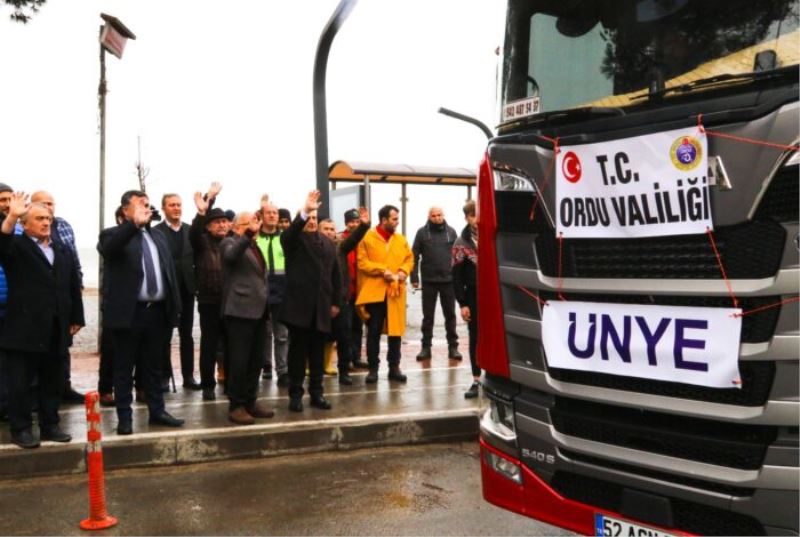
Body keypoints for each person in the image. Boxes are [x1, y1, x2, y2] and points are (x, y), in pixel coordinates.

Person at [0, 193, 84, 448]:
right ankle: (21, 429)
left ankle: (50, 425)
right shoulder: (16, 247)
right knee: (20, 383)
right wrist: (11, 216)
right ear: (25, 224)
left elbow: (72, 286)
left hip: (56, 327)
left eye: (48, 218)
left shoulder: (61, 249)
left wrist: (76, 317)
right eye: (39, 218)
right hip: (23, 328)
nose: (46, 222)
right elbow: (2, 243)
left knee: (52, 381)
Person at [98, 190, 185, 435]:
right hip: (129, 314)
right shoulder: (112, 234)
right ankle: (125, 417)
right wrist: (132, 226)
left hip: (157, 313)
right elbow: (110, 250)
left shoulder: (158, 236)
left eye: (147, 204)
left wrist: (174, 309)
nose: (145, 208)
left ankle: (157, 411)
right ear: (125, 210)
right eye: (139, 205)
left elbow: (168, 274)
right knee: (124, 368)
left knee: (154, 366)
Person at [280, 191, 342, 411]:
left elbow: (335, 274)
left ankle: (317, 394)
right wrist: (304, 211)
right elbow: (289, 234)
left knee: (317, 355)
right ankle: (295, 396)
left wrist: (335, 302)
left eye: (315, 217)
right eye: (309, 217)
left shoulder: (328, 243)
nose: (312, 221)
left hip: (322, 308)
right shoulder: (293, 240)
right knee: (297, 355)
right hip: (299, 308)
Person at [30, 191, 86, 405]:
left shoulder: (63, 226)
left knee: (63, 346)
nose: (49, 207)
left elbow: (73, 258)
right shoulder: (25, 231)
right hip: (38, 302)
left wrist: (77, 284)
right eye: (43, 204)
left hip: (64, 296)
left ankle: (64, 386)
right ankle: (37, 393)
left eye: (51, 203)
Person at [220, 209, 275, 425]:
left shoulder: (254, 246)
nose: (254, 227)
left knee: (256, 360)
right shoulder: (229, 242)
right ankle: (236, 405)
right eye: (247, 224)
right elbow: (231, 257)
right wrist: (249, 234)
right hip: (239, 311)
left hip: (259, 311)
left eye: (254, 224)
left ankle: (251, 401)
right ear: (235, 228)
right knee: (239, 361)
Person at [356, 204, 414, 384]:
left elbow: (409, 258)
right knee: (373, 332)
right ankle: (373, 369)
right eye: (394, 219)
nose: (397, 222)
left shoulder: (401, 239)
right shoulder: (367, 237)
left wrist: (404, 271)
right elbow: (362, 262)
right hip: (375, 294)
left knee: (395, 333)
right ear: (384, 220)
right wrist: (383, 271)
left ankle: (394, 368)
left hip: (395, 293)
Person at [155, 193, 200, 392]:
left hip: (187, 289)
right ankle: (164, 376)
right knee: (164, 336)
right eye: (172, 205)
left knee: (186, 335)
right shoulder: (156, 232)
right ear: (164, 208)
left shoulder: (190, 231)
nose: (176, 208)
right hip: (166, 291)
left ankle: (188, 376)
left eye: (179, 205)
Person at [322, 209, 370, 385]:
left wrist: (364, 225)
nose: (329, 232)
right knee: (320, 337)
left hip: (341, 300)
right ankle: (317, 369)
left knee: (344, 336)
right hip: (321, 301)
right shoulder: (312, 248)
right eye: (325, 229)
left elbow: (354, 238)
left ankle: (344, 371)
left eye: (331, 229)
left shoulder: (340, 246)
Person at [190, 183, 226, 401]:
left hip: (230, 301)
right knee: (209, 345)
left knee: (231, 343)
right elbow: (195, 231)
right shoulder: (201, 242)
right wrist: (204, 207)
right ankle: (208, 385)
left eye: (224, 221)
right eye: (217, 222)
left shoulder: (232, 242)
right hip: (209, 301)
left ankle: (230, 381)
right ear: (209, 226)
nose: (222, 225)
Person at [411, 206, 461, 361]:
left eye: (439, 215)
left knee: (450, 315)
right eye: (434, 215)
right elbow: (414, 256)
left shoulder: (451, 232)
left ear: (443, 215)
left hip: (448, 281)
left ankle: (453, 347)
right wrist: (414, 278)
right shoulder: (422, 233)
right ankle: (426, 348)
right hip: (429, 281)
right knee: (428, 317)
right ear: (429, 217)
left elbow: (458, 256)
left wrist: (459, 278)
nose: (437, 218)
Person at [255, 196, 289, 388]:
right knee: (262, 333)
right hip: (260, 290)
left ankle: (283, 371)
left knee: (282, 334)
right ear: (261, 215)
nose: (272, 216)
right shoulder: (255, 237)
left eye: (275, 213)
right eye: (268, 213)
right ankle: (265, 365)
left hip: (282, 291)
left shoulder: (285, 237)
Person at [452, 200, 480, 398]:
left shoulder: (495, 237)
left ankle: (498, 378)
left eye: (479, 215)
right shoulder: (460, 243)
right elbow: (456, 276)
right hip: (473, 294)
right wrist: (462, 303)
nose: (476, 220)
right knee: (475, 337)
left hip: (496, 295)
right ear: (467, 218)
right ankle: (476, 379)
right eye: (472, 216)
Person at [340, 209, 370, 371]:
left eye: (357, 222)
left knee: (358, 327)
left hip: (361, 291)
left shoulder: (365, 240)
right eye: (351, 222)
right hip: (346, 291)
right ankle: (347, 359)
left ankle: (356, 356)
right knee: (346, 327)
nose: (354, 224)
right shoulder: (340, 239)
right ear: (346, 223)